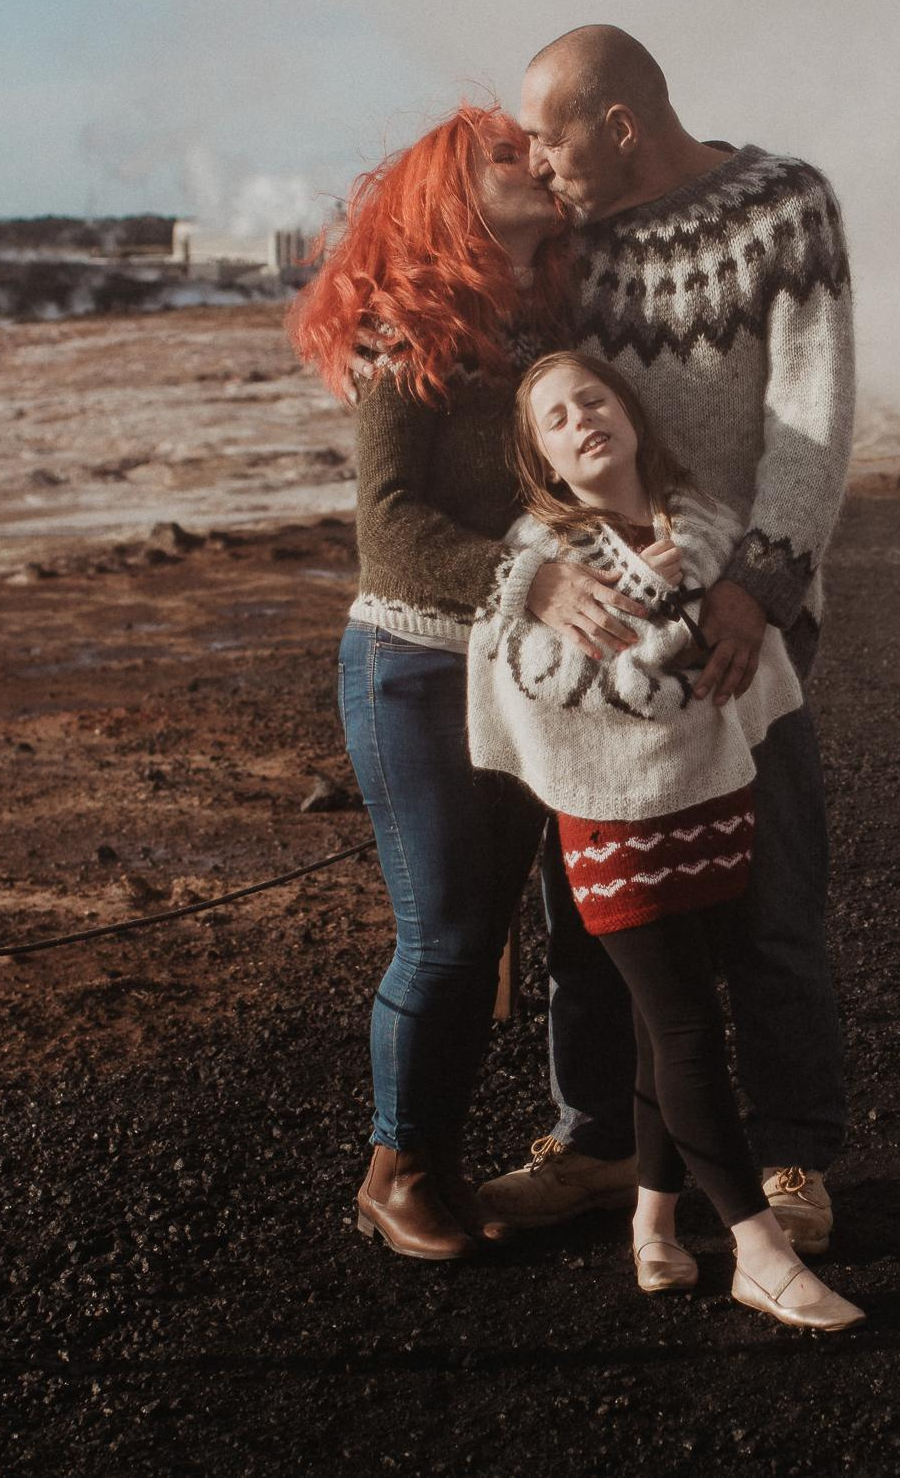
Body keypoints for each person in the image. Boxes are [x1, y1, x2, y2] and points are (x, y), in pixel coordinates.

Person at [478, 26, 857, 1255]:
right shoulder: (567, 247)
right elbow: (537, 422)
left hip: (748, 627)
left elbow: (810, 415)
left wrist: (761, 583)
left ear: (620, 123)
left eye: (550, 133)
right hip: (599, 645)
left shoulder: (782, 209)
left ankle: (793, 1154)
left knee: (771, 902)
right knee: (596, 914)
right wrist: (533, 587)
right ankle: (598, 1142)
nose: (536, 159)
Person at [287, 103, 656, 1261]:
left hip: (525, 664)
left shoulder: (543, 315)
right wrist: (535, 581)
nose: (538, 163)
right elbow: (389, 527)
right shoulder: (406, 328)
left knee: (583, 915)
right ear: (451, 191)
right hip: (416, 663)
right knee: (448, 934)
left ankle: (595, 1142)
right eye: (510, 154)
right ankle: (400, 1167)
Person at [467, 348, 862, 1330]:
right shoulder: (540, 557)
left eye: (593, 398)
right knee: (687, 1025)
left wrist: (689, 594)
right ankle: (756, 1251)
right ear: (545, 460)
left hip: (711, 799)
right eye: (555, 418)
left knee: (665, 1021)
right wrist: (650, 612)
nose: (581, 420)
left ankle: (652, 1217)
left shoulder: (708, 525)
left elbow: (753, 650)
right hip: (610, 818)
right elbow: (533, 682)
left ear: (632, 414)